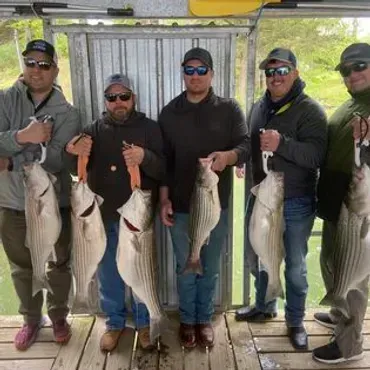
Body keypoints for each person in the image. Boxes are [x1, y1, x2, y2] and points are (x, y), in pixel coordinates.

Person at [234, 48, 327, 350]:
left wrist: (282, 143)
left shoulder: (310, 110)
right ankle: (264, 305)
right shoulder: (258, 107)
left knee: (296, 267)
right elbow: (249, 143)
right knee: (257, 255)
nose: (275, 78)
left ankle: (296, 321)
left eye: (282, 71)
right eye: (270, 72)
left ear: (295, 74)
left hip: (296, 201)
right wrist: (237, 158)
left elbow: (316, 155)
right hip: (261, 196)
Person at [66, 73, 164, 352]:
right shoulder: (92, 130)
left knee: (141, 272)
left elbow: (163, 170)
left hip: (138, 220)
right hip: (104, 217)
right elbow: (75, 171)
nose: (118, 102)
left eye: (124, 96)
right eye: (112, 97)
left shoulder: (150, 128)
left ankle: (145, 323)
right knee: (109, 273)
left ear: (134, 98)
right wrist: (71, 151)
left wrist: (145, 157)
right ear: (105, 101)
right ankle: (115, 322)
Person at [159, 47, 249, 348]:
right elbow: (164, 163)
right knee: (185, 267)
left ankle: (204, 319)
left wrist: (229, 156)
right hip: (181, 208)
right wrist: (164, 200)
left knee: (209, 267)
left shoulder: (229, 109)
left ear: (211, 73)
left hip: (215, 209)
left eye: (201, 70)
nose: (194, 76)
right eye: (189, 70)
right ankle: (186, 320)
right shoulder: (169, 112)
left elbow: (246, 145)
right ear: (182, 72)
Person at [0, 39, 80, 350]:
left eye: (44, 64)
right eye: (30, 62)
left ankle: (59, 315)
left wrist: (10, 155)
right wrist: (24, 136)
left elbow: (58, 161)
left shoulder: (68, 113)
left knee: (59, 263)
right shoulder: (5, 100)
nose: (36, 69)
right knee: (22, 265)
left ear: (55, 70)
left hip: (52, 204)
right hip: (11, 202)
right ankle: (31, 320)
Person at [313, 43, 370, 364]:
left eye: (359, 66)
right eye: (346, 70)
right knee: (332, 262)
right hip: (338, 203)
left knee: (356, 274)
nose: (352, 74)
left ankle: (350, 345)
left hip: (361, 209)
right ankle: (339, 313)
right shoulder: (350, 104)